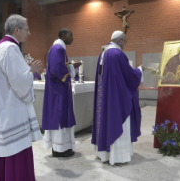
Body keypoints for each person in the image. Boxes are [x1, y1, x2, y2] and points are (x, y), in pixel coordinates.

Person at [0, 14, 43, 181]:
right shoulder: (11, 48)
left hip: (1, 109)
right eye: (27, 29)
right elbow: (20, 83)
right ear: (16, 30)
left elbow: (11, 76)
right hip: (11, 112)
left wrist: (26, 69)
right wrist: (31, 72)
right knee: (15, 151)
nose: (29, 33)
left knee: (3, 150)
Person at [92, 30, 144, 165]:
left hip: (104, 98)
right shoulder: (117, 53)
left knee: (104, 121)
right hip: (116, 98)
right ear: (119, 41)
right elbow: (129, 76)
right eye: (125, 42)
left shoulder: (103, 53)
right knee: (117, 121)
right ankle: (118, 156)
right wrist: (139, 70)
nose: (125, 45)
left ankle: (104, 154)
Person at [42, 29, 81, 158]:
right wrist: (71, 68)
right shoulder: (57, 49)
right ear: (64, 36)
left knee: (63, 118)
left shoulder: (59, 48)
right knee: (59, 117)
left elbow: (60, 66)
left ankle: (63, 147)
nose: (72, 37)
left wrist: (71, 66)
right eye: (71, 35)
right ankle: (58, 149)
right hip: (58, 91)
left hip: (60, 89)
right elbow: (56, 69)